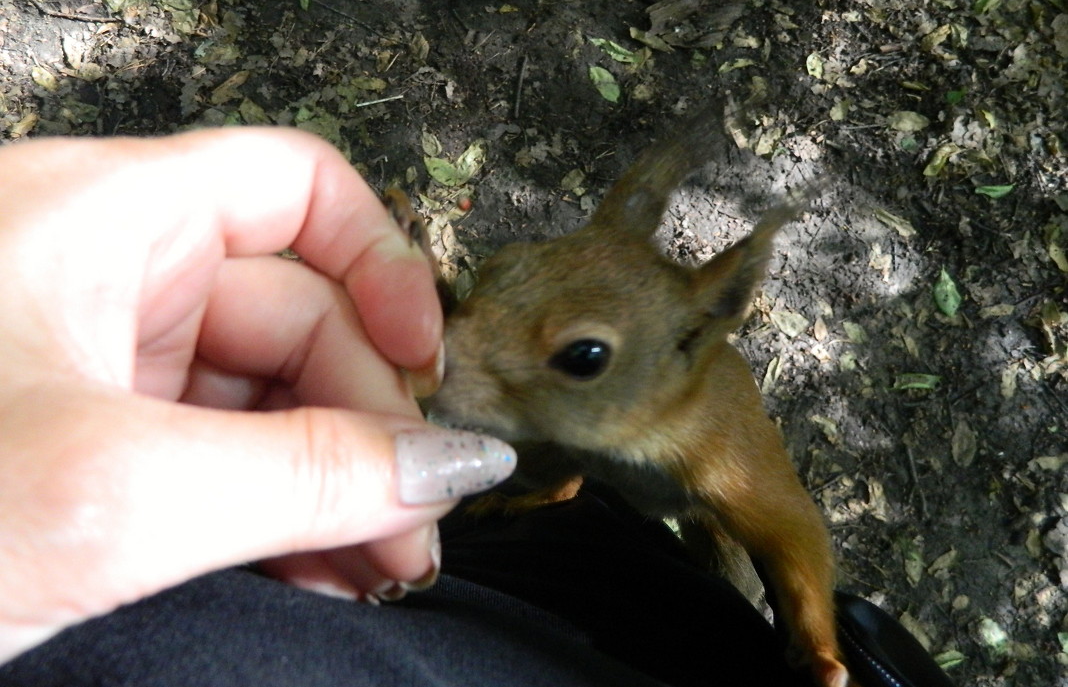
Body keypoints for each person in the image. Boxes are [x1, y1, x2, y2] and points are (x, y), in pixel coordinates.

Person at [0, 128, 953, 687]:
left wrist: (814, 636)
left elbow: (788, 533)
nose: (461, 343)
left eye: (581, 355)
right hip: (552, 512)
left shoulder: (710, 445)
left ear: (695, 341)